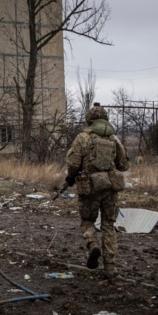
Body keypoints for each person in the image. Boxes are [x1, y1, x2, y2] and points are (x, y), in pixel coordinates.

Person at [65, 103, 129, 278]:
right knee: (108, 225)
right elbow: (123, 165)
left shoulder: (83, 138)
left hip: (90, 188)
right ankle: (110, 267)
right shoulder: (114, 139)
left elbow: (73, 164)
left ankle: (92, 244)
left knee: (87, 221)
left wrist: (70, 177)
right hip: (110, 188)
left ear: (89, 120)